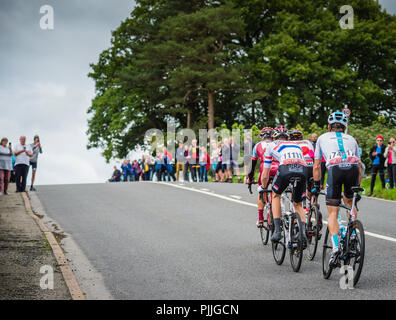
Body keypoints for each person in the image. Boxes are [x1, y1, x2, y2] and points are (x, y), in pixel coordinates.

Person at [313, 111, 361, 266]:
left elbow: (316, 166)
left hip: (335, 168)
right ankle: (353, 233)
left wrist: (316, 185)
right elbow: (359, 167)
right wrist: (357, 188)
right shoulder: (352, 139)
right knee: (350, 202)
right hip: (352, 168)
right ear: (345, 128)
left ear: (329, 127)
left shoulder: (321, 138)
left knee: (333, 211)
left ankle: (335, 249)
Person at [259, 126, 308, 244]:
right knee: (298, 203)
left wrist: (263, 187)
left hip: (286, 168)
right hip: (303, 170)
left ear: (273, 137)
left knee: (275, 195)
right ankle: (303, 234)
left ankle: (277, 231)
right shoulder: (296, 145)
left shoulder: (271, 145)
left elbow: (265, 174)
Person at [247, 127, 273, 227]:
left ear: (262, 137)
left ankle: (261, 219)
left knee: (261, 191)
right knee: (277, 193)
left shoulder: (258, 145)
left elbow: (252, 165)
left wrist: (250, 178)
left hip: (264, 170)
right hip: (277, 169)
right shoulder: (277, 144)